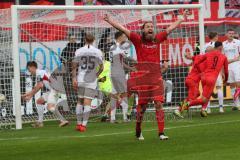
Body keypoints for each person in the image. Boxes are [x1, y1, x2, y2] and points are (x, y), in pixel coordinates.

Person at [104, 10, 189, 140]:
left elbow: (170, 28)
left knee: (158, 104)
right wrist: (110, 21)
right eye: (147, 27)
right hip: (143, 79)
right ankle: (138, 129)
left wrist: (181, 19)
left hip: (156, 78)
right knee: (142, 108)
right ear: (143, 30)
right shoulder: (137, 40)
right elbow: (123, 29)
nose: (150, 28)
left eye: (151, 27)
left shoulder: (157, 39)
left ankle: (161, 133)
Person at [175, 42, 229, 117]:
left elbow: (197, 59)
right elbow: (226, 71)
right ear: (221, 47)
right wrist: (226, 80)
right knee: (203, 98)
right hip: (210, 78)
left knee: (204, 95)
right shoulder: (224, 57)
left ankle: (203, 109)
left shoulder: (208, 55)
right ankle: (183, 106)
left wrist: (193, 61)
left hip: (204, 77)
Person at [22, 61, 69, 128]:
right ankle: (40, 122)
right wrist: (27, 95)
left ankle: (63, 120)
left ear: (32, 67)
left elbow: (39, 86)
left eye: (28, 69)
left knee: (49, 107)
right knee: (39, 101)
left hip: (56, 90)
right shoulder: (40, 73)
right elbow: (36, 88)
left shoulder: (39, 73)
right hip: (53, 90)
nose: (29, 71)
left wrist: (30, 96)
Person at [72, 33, 104, 132]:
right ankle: (83, 125)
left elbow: (74, 66)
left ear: (84, 40)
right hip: (91, 80)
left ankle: (78, 124)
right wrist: (97, 75)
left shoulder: (79, 51)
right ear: (94, 40)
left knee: (80, 101)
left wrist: (74, 78)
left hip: (81, 78)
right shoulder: (98, 52)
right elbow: (102, 67)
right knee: (87, 102)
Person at [204, 32, 225, 113]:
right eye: (217, 36)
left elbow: (203, 58)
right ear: (215, 37)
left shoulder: (205, 45)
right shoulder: (219, 46)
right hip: (216, 70)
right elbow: (222, 59)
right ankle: (221, 108)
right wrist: (222, 71)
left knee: (208, 90)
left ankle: (208, 108)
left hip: (208, 71)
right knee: (219, 88)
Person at [223, 29, 240, 111]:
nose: (231, 35)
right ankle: (236, 104)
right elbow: (223, 57)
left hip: (237, 65)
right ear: (226, 34)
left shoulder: (238, 42)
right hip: (228, 66)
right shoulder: (223, 44)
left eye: (233, 33)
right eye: (230, 33)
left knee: (238, 83)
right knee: (232, 85)